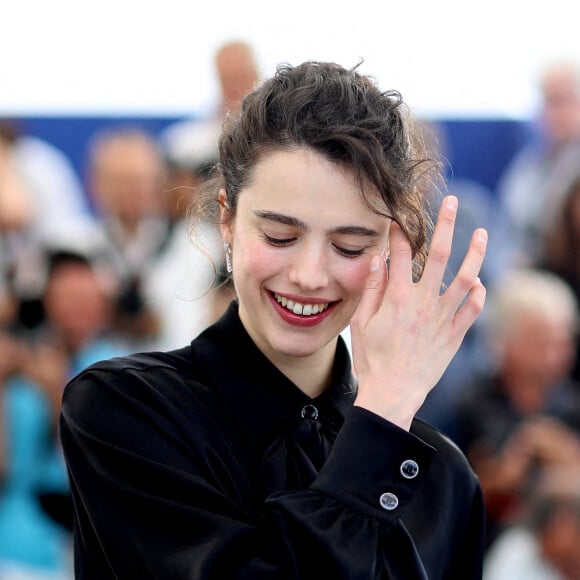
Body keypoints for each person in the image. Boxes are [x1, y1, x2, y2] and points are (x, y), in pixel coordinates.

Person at [60, 60, 488, 578]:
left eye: (349, 246)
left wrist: (384, 418)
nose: (309, 275)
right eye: (280, 236)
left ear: (395, 249)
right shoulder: (125, 409)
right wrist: (379, 423)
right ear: (226, 219)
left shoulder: (442, 477)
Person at [444, 268, 580, 549]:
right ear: (504, 342)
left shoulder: (571, 405)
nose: (554, 355)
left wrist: (565, 457)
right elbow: (444, 494)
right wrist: (501, 477)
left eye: (562, 342)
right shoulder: (469, 405)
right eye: (541, 342)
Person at [496, 60, 580, 266]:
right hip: (523, 268)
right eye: (547, 102)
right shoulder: (528, 164)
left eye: (561, 101)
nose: (552, 112)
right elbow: (505, 225)